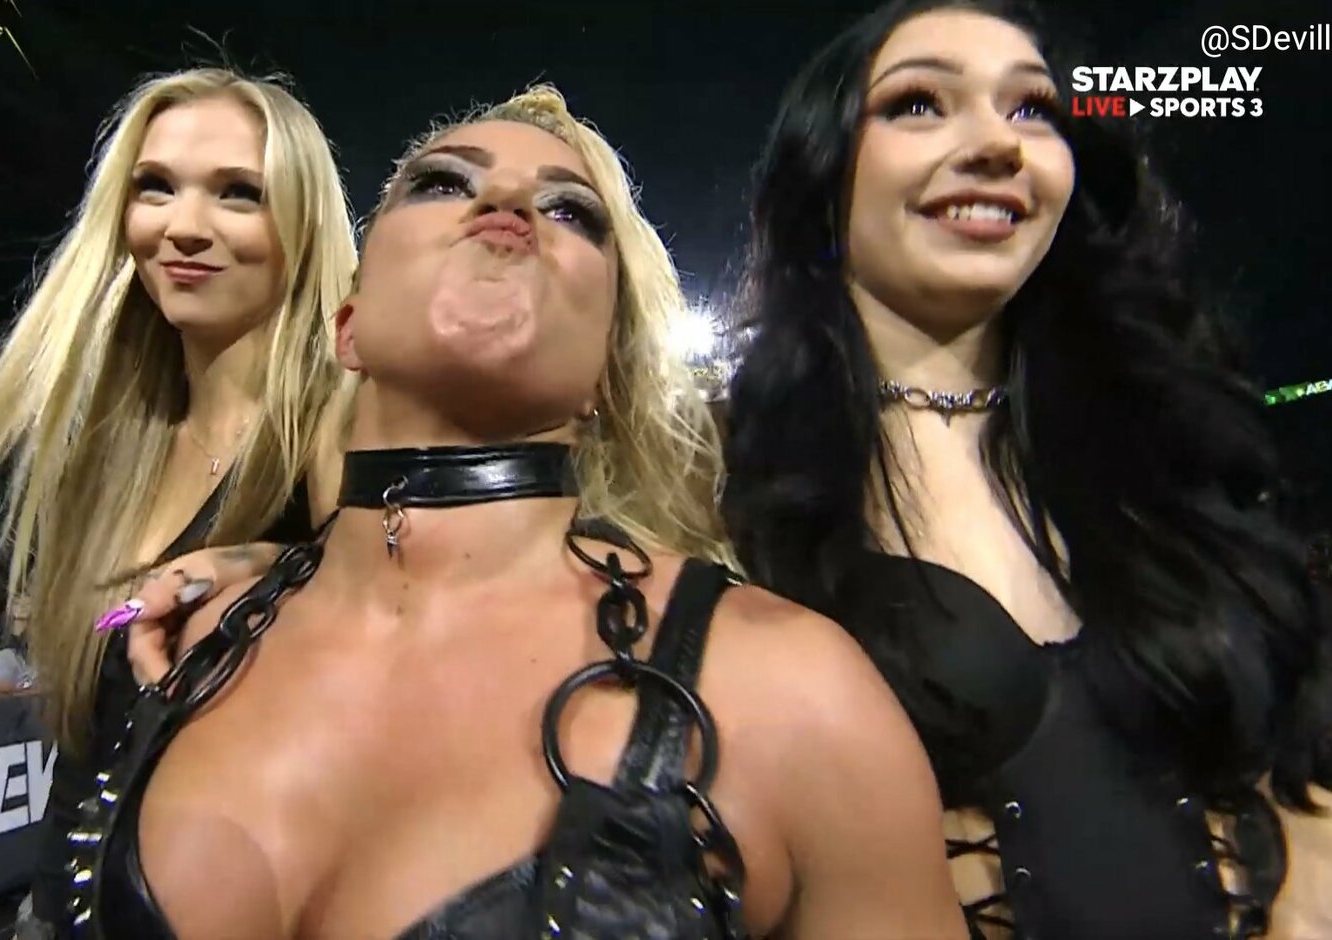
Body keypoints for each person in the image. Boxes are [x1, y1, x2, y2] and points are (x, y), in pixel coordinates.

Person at [71, 86, 963, 940]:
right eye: (441, 183)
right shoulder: (196, 638)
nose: (505, 204)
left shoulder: (794, 695)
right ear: (349, 327)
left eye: (571, 210)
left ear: (606, 370)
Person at [718, 2, 1332, 938]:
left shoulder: (1161, 444)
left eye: (1033, 110)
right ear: (821, 169)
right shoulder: (720, 487)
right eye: (919, 104)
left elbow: (1302, 763)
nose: (998, 144)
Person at [0, 67, 358, 937]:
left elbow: (395, 642)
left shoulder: (337, 422)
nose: (183, 225)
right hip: (60, 906)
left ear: (303, 223)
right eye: (156, 186)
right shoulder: (109, 446)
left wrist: (271, 565)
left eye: (238, 193)